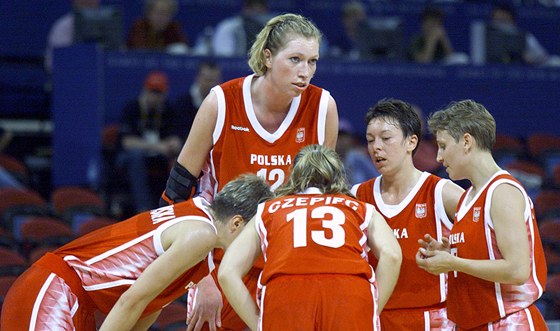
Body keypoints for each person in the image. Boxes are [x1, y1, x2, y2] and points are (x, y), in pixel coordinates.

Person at [159, 13, 339, 331]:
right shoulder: (221, 103)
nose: (305, 72)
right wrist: (197, 278)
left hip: (287, 264)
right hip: (220, 261)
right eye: (295, 59)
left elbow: (323, 204)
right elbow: (176, 195)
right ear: (267, 57)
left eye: (312, 61)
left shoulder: (323, 107)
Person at [0, 174, 274, 331]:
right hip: (56, 289)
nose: (258, 243)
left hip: (74, 299)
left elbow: (147, 308)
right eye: (257, 231)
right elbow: (130, 301)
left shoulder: (199, 224)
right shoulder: (201, 234)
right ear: (237, 223)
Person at [218, 144, 402, 331]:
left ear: (295, 174)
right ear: (337, 174)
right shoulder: (360, 208)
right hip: (348, 292)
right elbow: (392, 256)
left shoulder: (269, 209)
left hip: (286, 295)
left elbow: (227, 272)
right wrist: (372, 308)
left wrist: (258, 322)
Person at [416, 99, 548, 330]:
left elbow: (517, 270)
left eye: (444, 146)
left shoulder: (502, 191)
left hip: (509, 322)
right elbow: (486, 255)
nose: (438, 157)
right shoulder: (468, 197)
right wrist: (450, 253)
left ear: (467, 142)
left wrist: (454, 262)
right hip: (474, 322)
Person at [351, 98, 464, 330]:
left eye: (386, 138)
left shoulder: (442, 192)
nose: (376, 147)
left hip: (433, 319)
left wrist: (454, 253)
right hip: (377, 317)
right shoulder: (357, 196)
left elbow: (487, 243)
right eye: (370, 140)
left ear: (411, 141)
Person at [118, 70, 187, 213]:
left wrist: (174, 144)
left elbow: (176, 137)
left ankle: (174, 207)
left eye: (159, 93)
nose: (155, 97)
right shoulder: (132, 108)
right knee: (136, 155)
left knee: (179, 158)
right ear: (145, 90)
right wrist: (157, 147)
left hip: (159, 157)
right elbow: (127, 142)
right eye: (152, 92)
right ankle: (143, 208)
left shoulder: (167, 110)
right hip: (129, 158)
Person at [44, 0, 101, 73]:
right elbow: (52, 63)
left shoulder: (110, 25)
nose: (87, 1)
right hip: (70, 79)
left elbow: (115, 58)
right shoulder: (63, 26)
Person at [174, 59, 223, 138]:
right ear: (198, 78)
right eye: (207, 80)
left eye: (214, 80)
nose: (211, 84)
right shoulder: (182, 103)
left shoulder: (223, 104)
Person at [336, 117, 379, 185]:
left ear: (350, 138)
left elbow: (377, 177)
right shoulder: (328, 159)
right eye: (338, 137)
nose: (341, 141)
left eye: (344, 137)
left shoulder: (358, 157)